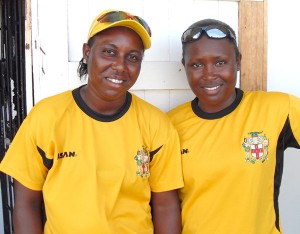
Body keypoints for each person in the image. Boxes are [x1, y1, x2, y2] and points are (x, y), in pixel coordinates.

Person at [0, 9, 183, 234]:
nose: (120, 66)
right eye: (109, 52)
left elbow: (165, 205)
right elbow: (27, 203)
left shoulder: (156, 124)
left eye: (133, 57)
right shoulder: (47, 117)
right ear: (87, 52)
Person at [167, 18, 300, 234]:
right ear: (185, 66)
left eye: (220, 62)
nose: (209, 74)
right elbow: (164, 206)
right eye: (197, 64)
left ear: (238, 61)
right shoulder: (170, 126)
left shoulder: (277, 109)